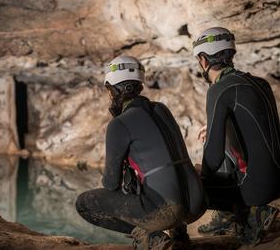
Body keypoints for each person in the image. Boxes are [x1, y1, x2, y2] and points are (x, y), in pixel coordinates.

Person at [75, 56, 206, 250]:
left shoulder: (119, 124)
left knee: (84, 203)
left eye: (109, 90)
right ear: (139, 86)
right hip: (197, 203)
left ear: (113, 90)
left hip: (166, 211)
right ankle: (178, 233)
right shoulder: (162, 109)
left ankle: (149, 237)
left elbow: (111, 184)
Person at [192, 27, 280, 245]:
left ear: (203, 60)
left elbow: (212, 160)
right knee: (216, 137)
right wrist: (216, 128)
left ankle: (245, 214)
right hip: (278, 180)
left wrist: (197, 176)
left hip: (256, 190)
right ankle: (233, 215)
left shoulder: (219, 90)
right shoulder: (260, 83)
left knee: (187, 182)